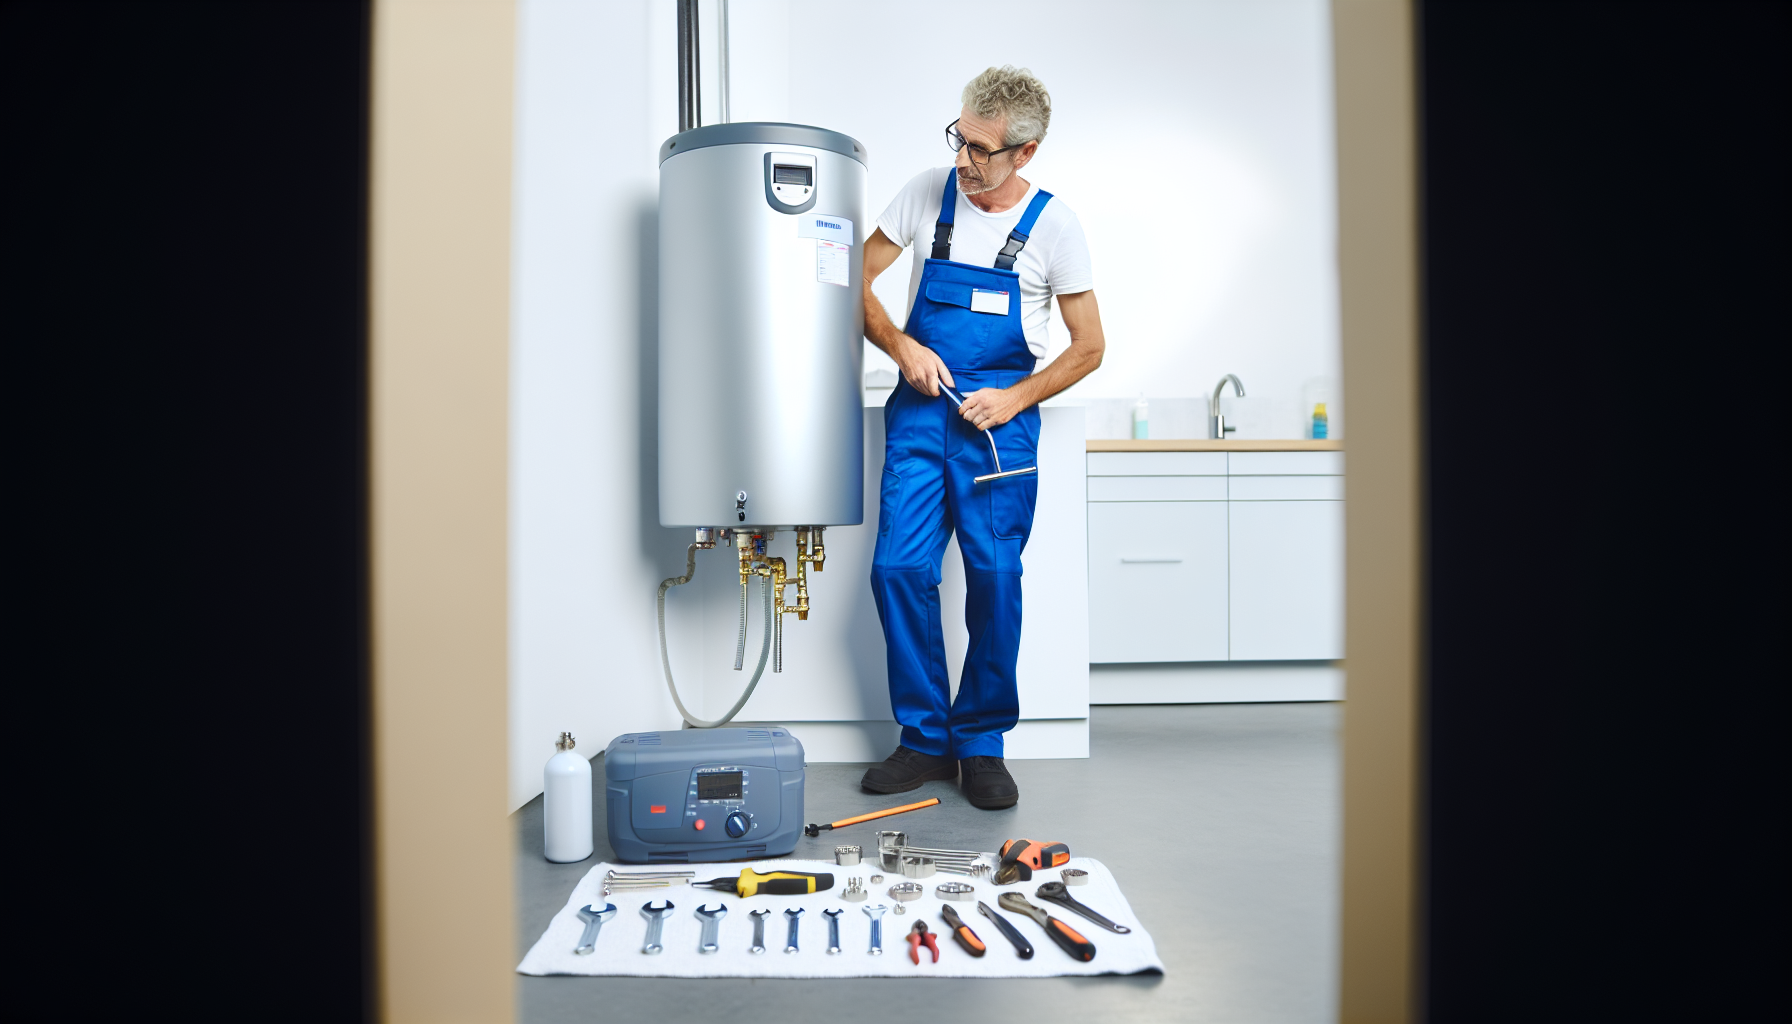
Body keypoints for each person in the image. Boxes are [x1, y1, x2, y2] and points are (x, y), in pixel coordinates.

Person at [859, 66, 1107, 809]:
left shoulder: (1055, 227)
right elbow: (852, 281)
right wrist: (901, 346)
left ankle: (983, 742)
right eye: (959, 140)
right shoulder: (925, 193)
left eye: (982, 150)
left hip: (998, 429)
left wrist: (1017, 397)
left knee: (995, 581)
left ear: (1024, 154)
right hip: (918, 415)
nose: (964, 160)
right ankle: (925, 738)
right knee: (898, 570)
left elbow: (1089, 345)